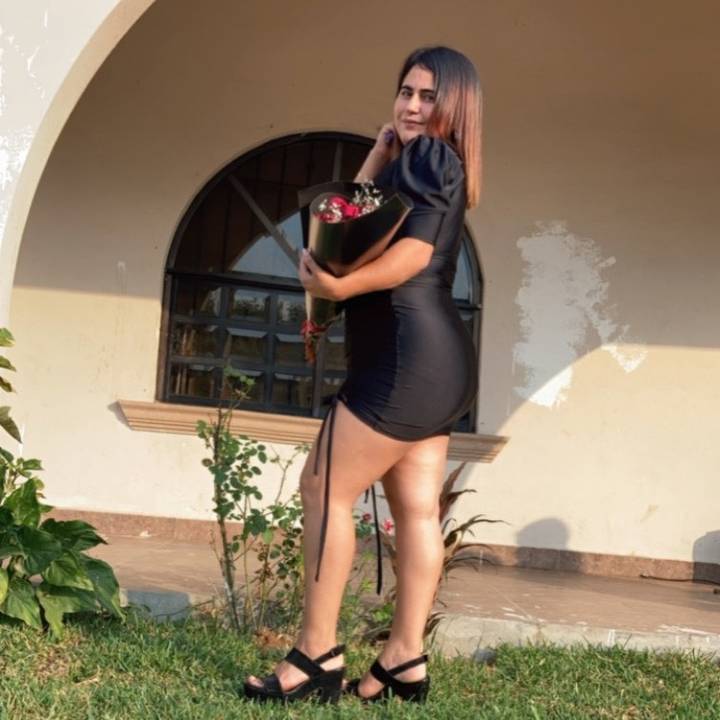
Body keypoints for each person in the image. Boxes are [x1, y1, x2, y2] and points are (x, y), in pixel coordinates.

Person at [243, 44, 482, 704]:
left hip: (406, 357)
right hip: (436, 361)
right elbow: (347, 219)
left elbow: (413, 255)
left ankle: (315, 655)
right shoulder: (426, 162)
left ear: (455, 106)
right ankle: (403, 660)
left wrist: (339, 292)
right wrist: (377, 156)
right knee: (415, 509)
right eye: (405, 92)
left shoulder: (430, 156)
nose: (411, 106)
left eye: (428, 96)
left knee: (323, 488)